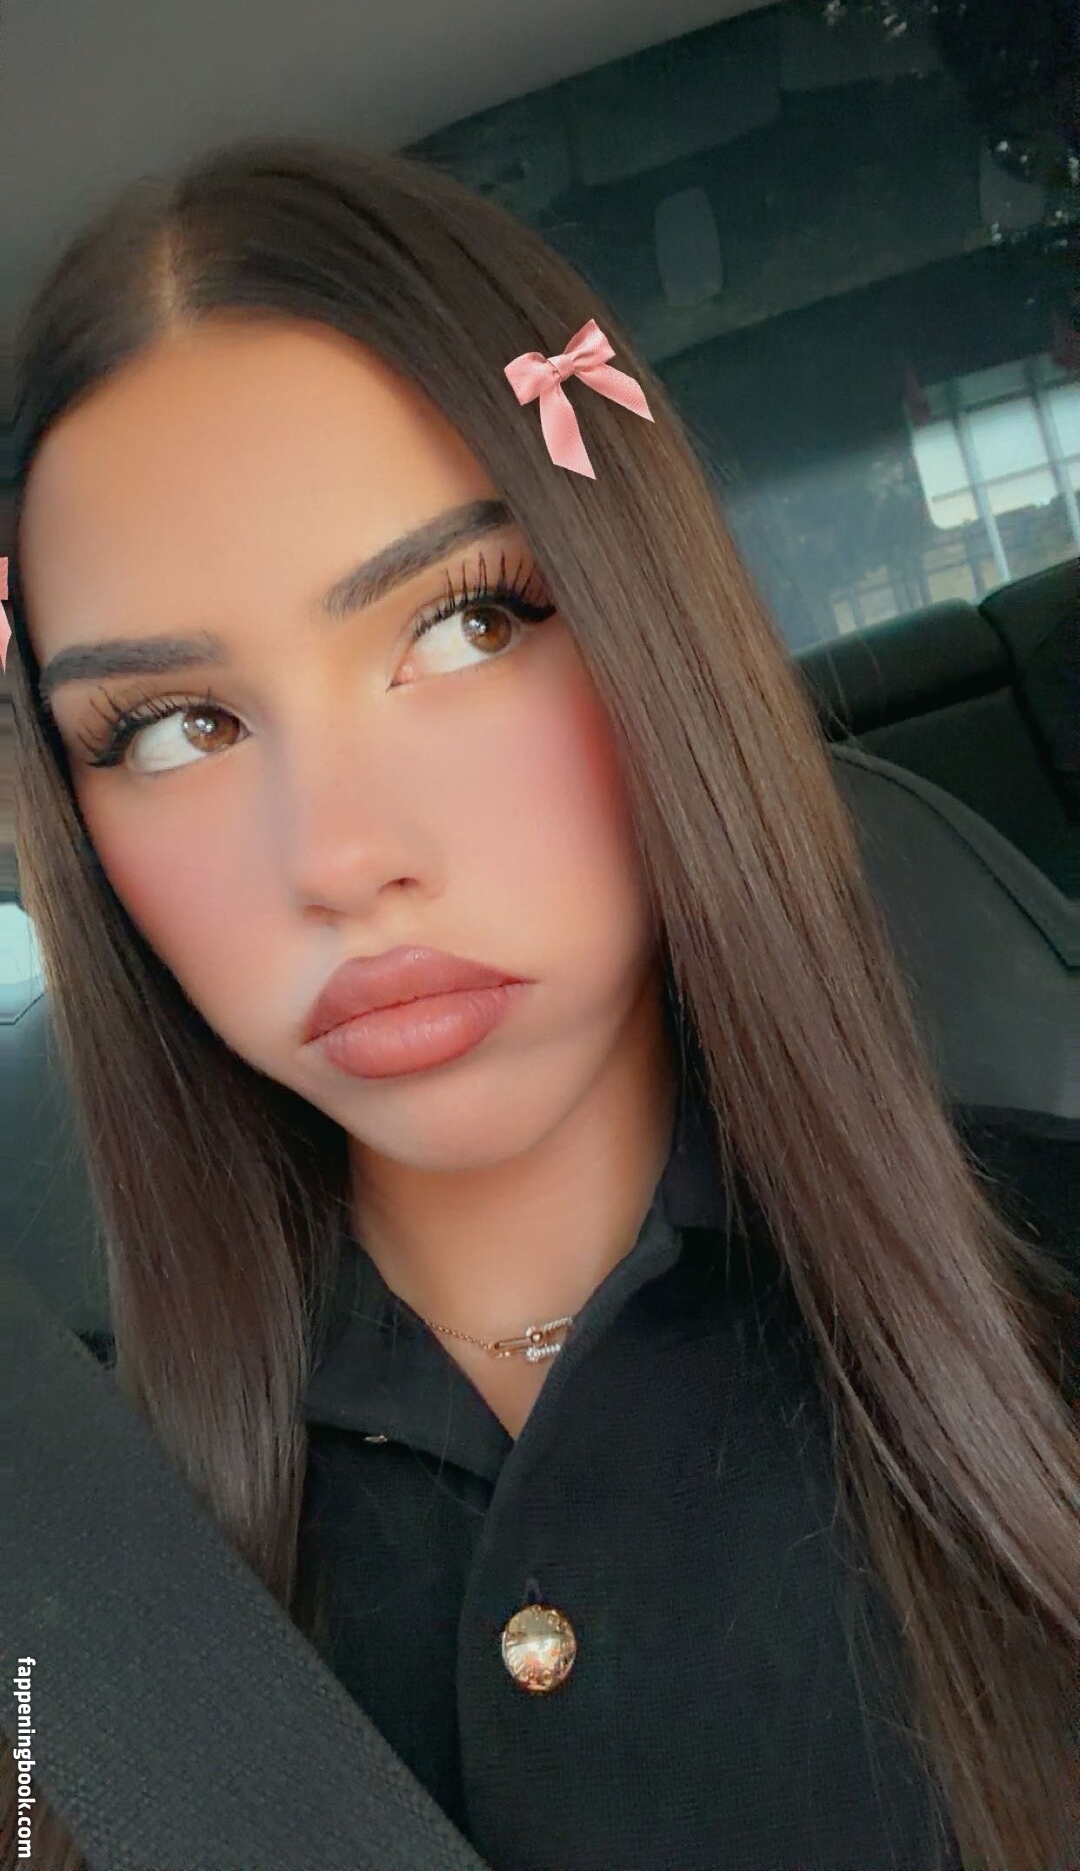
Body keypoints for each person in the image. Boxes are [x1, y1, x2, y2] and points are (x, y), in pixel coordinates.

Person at [2, 136, 1076, 1871]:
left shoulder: (1050, 1316)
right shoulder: (55, 1579)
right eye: (177, 728)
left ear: (651, 632)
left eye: (467, 628)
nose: (340, 857)